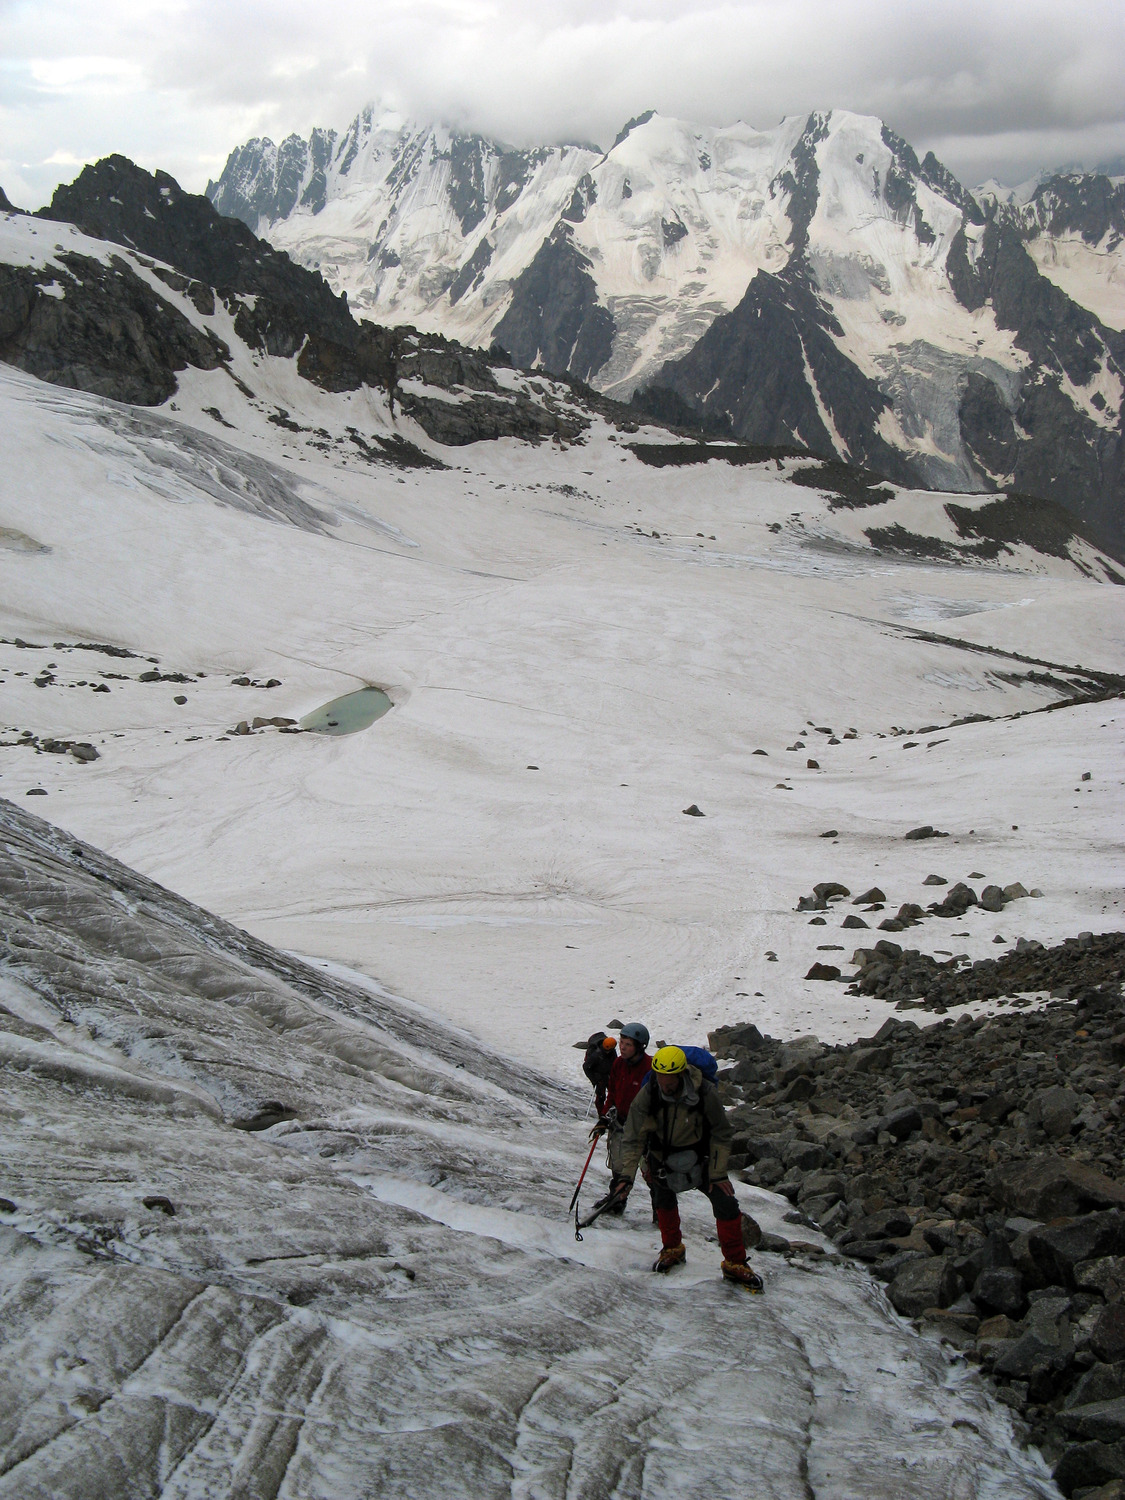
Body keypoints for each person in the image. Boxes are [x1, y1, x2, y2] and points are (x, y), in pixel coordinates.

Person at [607, 1045, 763, 1289]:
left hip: (700, 1158)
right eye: (659, 1078)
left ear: (681, 1074)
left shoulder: (705, 1092)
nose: (664, 1085)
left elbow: (721, 1133)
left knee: (726, 1203)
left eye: (668, 1081)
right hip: (661, 1157)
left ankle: (735, 1262)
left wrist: (718, 1171)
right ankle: (672, 1249)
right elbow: (633, 1137)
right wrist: (626, 1177)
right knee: (663, 1200)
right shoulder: (649, 1094)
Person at [589, 1022, 652, 1215]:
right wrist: (604, 1117)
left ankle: (661, 1206)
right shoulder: (618, 1064)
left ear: (640, 1047)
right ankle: (617, 1198)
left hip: (645, 1128)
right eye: (621, 1043)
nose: (622, 1048)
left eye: (628, 1044)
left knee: (650, 1168)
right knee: (618, 1164)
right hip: (622, 1121)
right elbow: (613, 1093)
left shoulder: (650, 1068)